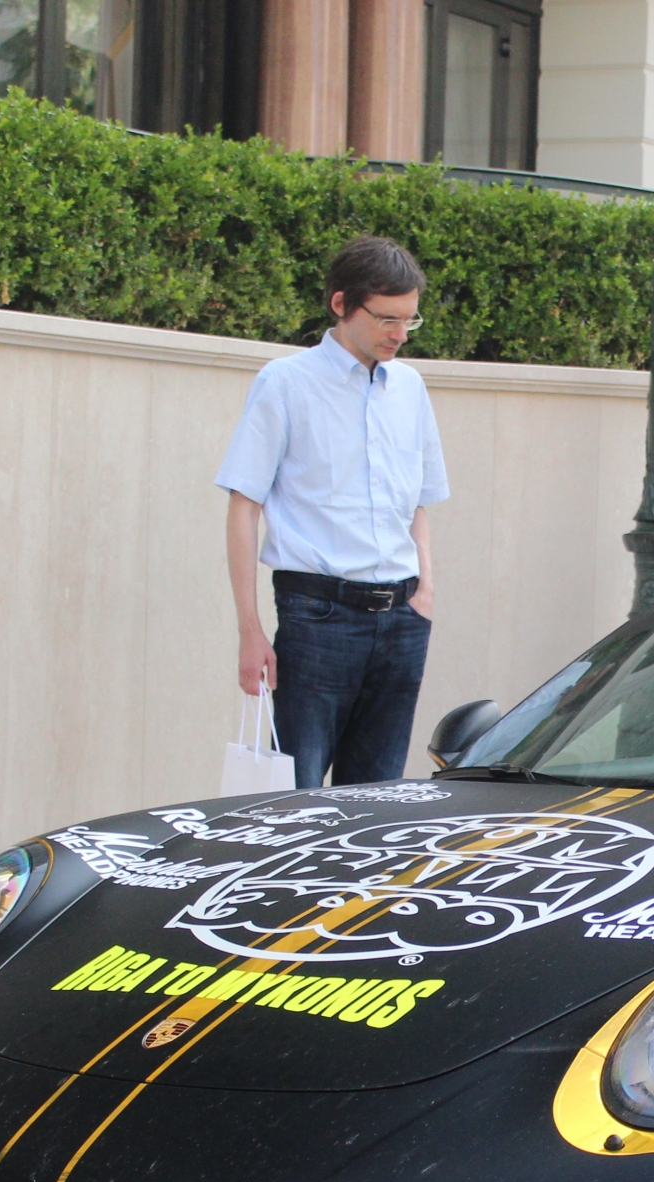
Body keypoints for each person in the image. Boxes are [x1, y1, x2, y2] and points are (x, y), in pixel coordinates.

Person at [217, 235, 448, 788]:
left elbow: (418, 500)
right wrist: (250, 631)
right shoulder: (286, 383)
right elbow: (243, 505)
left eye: (410, 321)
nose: (399, 335)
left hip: (402, 619)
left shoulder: (410, 389)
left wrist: (425, 591)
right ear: (341, 304)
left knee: (377, 802)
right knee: (292, 804)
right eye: (387, 319)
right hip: (317, 615)